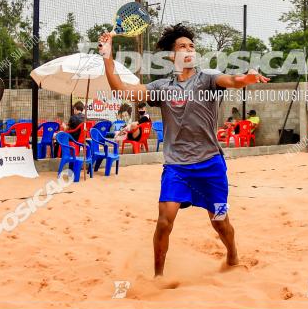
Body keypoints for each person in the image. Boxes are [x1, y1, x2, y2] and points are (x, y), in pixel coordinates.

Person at [100, 23, 269, 276]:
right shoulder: (162, 88)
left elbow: (233, 80)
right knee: (164, 222)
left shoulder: (208, 79)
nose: (188, 49)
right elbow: (120, 90)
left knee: (220, 221)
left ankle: (232, 254)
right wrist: (107, 56)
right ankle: (158, 276)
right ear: (172, 56)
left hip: (211, 164)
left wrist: (246, 78)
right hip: (177, 167)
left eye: (191, 46)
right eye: (182, 46)